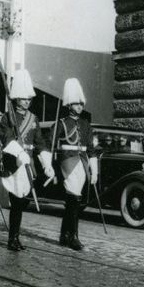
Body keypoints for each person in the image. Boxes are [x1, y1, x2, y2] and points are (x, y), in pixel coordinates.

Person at [0, 69, 54, 251]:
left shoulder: (33, 118)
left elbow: (39, 142)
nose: (26, 102)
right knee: (16, 201)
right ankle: (12, 238)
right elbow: (6, 140)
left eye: (28, 99)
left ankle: (15, 237)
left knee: (21, 201)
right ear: (16, 98)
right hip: (14, 163)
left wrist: (47, 164)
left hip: (28, 162)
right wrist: (18, 152)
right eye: (23, 99)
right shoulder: (8, 117)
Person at [53, 78, 98, 251]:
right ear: (69, 104)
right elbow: (51, 143)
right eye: (76, 103)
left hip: (82, 161)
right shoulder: (62, 123)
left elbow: (91, 149)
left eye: (81, 103)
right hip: (68, 160)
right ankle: (73, 236)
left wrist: (94, 171)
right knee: (74, 195)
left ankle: (65, 234)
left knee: (74, 198)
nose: (80, 106)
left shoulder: (86, 124)